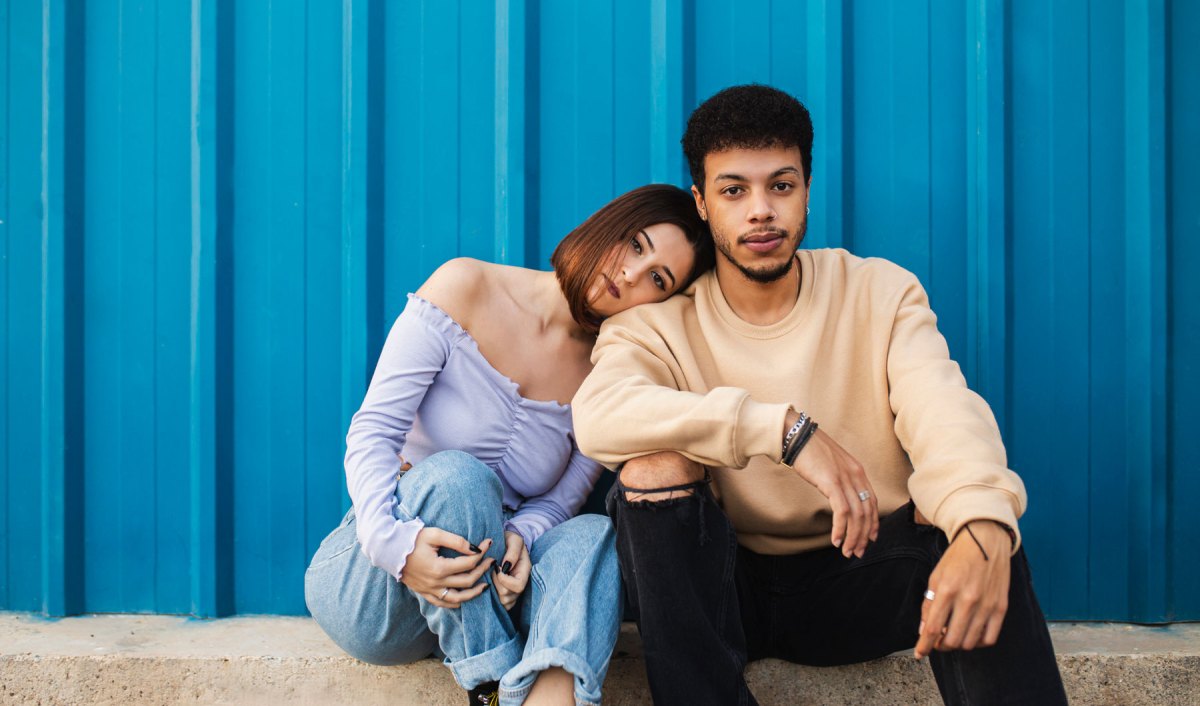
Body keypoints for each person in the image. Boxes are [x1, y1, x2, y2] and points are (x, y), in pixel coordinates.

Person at [572, 85, 1068, 705]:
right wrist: (780, 431)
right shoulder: (654, 325)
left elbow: (943, 410)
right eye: (734, 191)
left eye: (780, 186)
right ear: (701, 202)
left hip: (857, 575)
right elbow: (596, 416)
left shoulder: (879, 293)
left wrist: (985, 525)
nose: (760, 211)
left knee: (975, 530)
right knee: (651, 470)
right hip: (718, 593)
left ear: (807, 188)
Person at [305, 184, 714, 706]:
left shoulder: (607, 371)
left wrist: (516, 539)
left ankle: (551, 699)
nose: (631, 274)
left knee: (595, 532)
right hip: (378, 588)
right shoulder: (466, 286)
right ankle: (492, 685)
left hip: (492, 592)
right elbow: (373, 430)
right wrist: (398, 548)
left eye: (658, 278)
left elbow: (559, 502)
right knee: (459, 476)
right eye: (635, 244)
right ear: (608, 224)